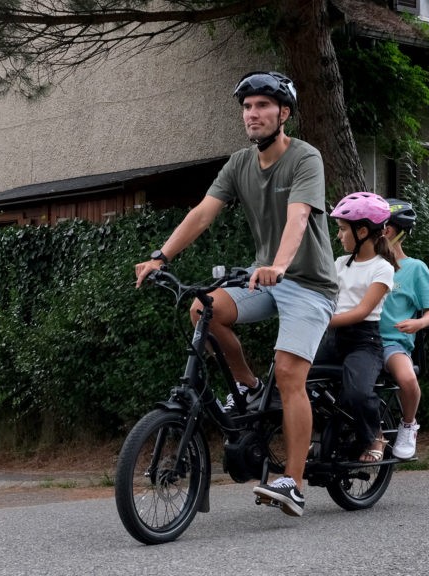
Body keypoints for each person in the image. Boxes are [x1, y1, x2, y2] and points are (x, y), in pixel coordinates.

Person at [134, 71, 337, 518]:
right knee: (203, 309)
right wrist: (159, 256)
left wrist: (280, 264)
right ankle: (247, 386)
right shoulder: (239, 164)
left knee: (290, 374)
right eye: (247, 107)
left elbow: (298, 218)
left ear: (283, 113)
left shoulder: (306, 157)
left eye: (263, 105)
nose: (252, 114)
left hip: (309, 284)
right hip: (263, 279)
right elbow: (203, 213)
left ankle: (294, 482)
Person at [314, 192, 396, 464]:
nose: (339, 236)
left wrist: (323, 320)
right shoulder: (339, 264)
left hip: (364, 342)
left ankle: (376, 436)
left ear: (362, 231)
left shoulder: (382, 268)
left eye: (342, 229)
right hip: (334, 338)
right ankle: (325, 432)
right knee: (294, 376)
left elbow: (362, 311)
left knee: (358, 392)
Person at [379, 198, 429, 460]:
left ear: (389, 231)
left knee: (407, 379)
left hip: (393, 342)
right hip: (363, 340)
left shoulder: (416, 269)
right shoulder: (367, 266)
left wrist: (418, 323)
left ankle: (408, 424)